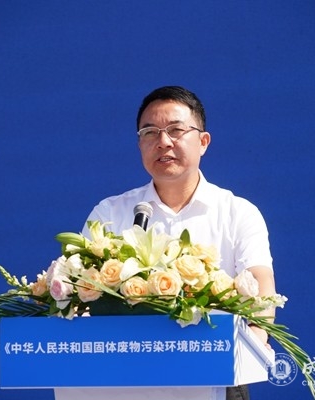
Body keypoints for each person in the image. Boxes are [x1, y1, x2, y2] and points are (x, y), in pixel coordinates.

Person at [83, 86, 276, 400]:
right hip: (125, 377)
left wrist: (252, 343)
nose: (163, 142)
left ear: (203, 142)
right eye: (150, 132)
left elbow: (260, 284)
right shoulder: (110, 213)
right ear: (139, 144)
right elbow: (83, 289)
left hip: (216, 375)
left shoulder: (238, 212)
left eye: (175, 130)